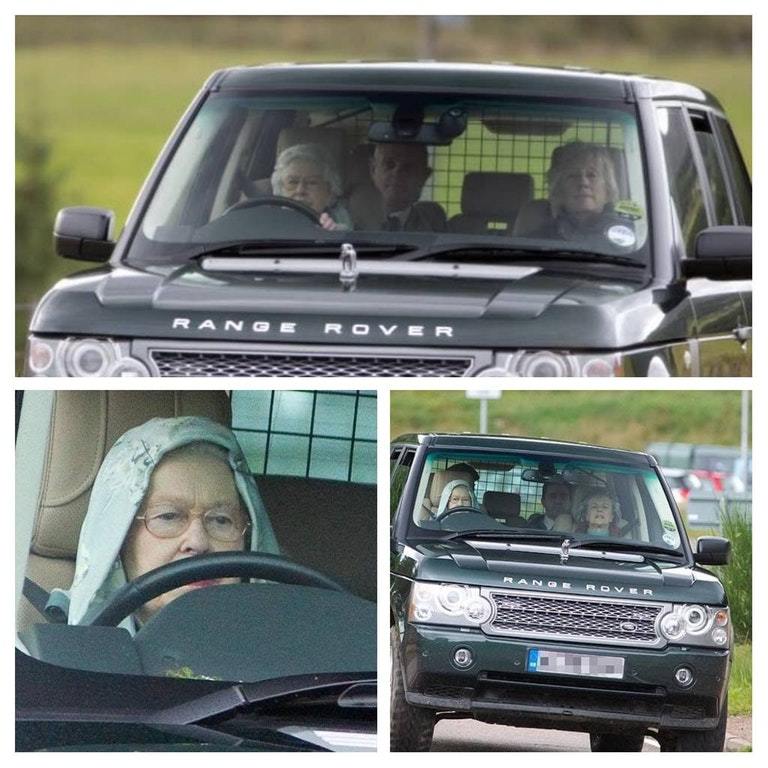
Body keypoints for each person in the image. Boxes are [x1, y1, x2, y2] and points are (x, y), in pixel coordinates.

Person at [59, 416, 279, 632]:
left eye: (221, 520)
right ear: (118, 538)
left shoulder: (286, 654)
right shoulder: (51, 650)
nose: (197, 542)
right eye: (168, 516)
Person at [528, 142, 630, 244]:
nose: (583, 182)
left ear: (607, 188)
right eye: (573, 175)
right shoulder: (539, 241)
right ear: (559, 189)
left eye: (591, 175)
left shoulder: (629, 237)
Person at [271, 143, 352, 230]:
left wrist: (333, 233)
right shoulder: (265, 217)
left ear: (329, 192)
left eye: (312, 182)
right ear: (280, 188)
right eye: (292, 182)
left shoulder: (339, 218)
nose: (300, 190)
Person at [369, 143, 445, 231]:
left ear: (424, 176)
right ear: (373, 170)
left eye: (408, 167)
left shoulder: (433, 223)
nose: (397, 172)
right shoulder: (351, 225)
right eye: (389, 164)